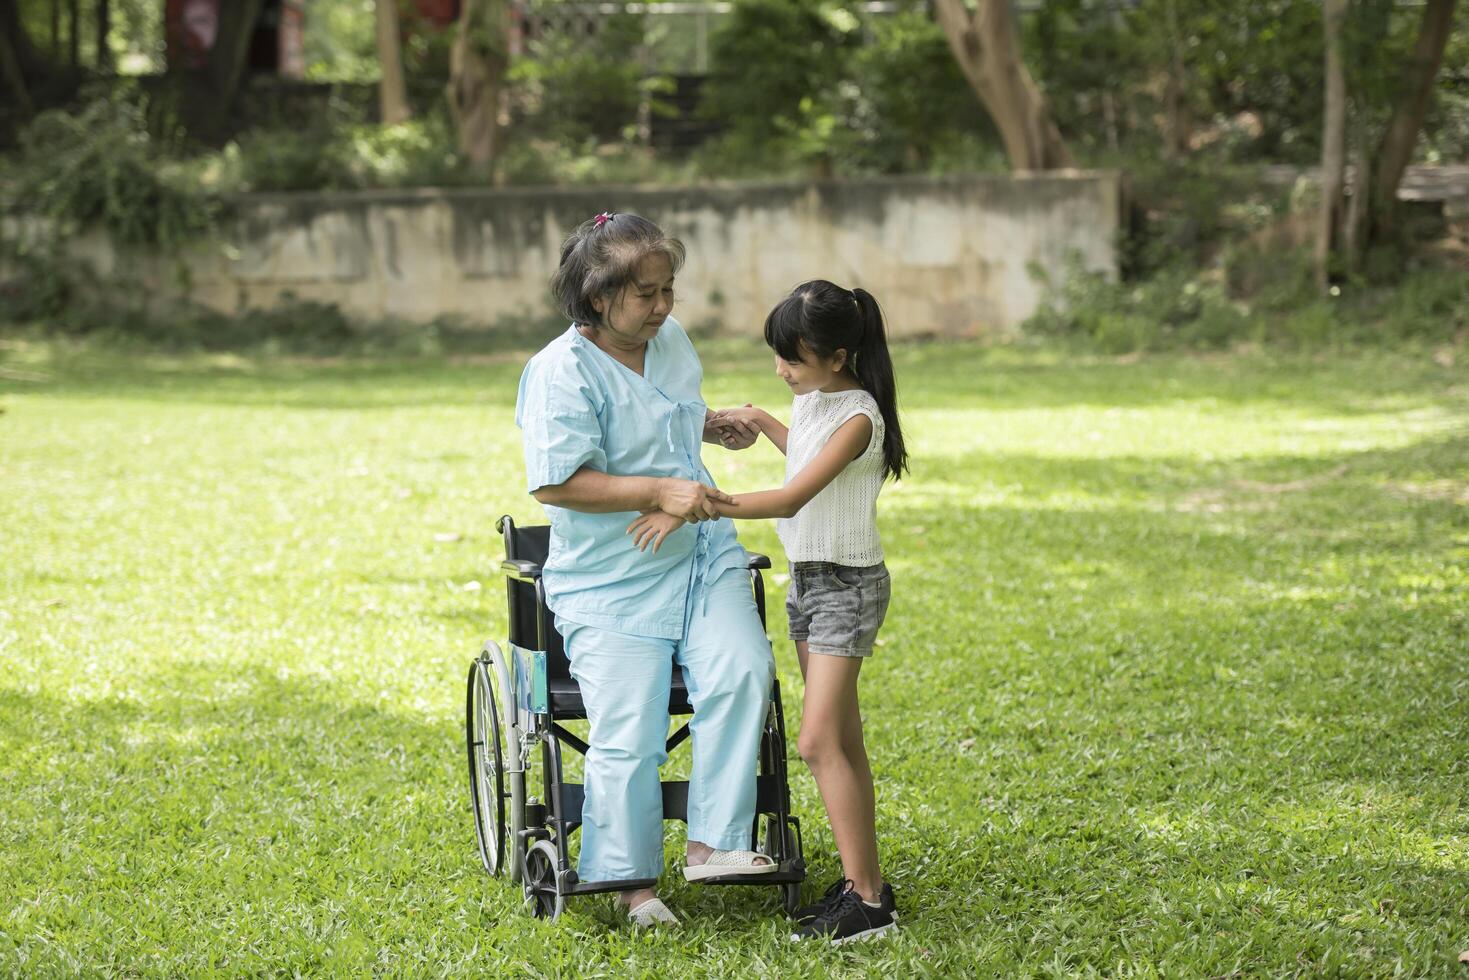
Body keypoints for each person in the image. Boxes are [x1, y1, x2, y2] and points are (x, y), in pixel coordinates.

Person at [514, 211, 778, 929]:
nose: (663, 307)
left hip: (700, 558)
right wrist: (658, 490)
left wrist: (707, 421)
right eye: (646, 294)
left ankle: (713, 841)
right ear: (598, 296)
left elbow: (656, 414)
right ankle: (632, 885)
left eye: (668, 290)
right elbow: (555, 482)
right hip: (612, 578)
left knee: (742, 669)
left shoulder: (668, 340)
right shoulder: (557, 373)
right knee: (627, 729)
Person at [628, 279, 907, 944]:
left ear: (838, 358)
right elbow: (807, 455)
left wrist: (692, 500)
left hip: (845, 586)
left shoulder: (859, 415)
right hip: (809, 584)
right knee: (843, 741)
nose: (781, 369)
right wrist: (764, 421)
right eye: (777, 356)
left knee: (816, 742)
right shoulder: (814, 399)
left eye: (793, 359)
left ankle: (869, 905)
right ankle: (860, 886)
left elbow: (790, 498)